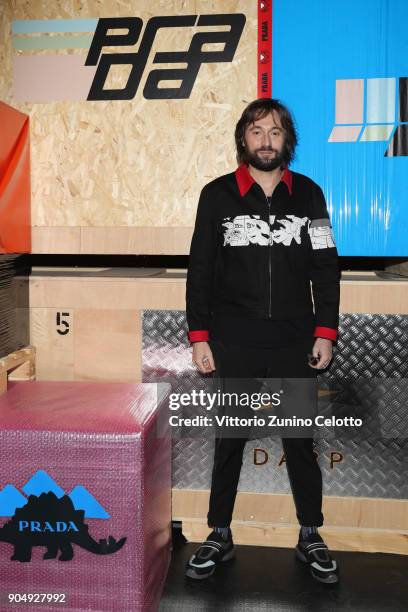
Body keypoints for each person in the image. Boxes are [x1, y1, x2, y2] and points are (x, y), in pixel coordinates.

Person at [184, 98, 340, 584]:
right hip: (234, 340)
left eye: (274, 131)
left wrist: (326, 331)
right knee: (230, 438)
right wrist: (200, 336)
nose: (266, 140)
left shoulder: (310, 196)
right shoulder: (217, 196)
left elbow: (326, 267)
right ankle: (220, 532)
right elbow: (200, 271)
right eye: (256, 132)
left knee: (300, 440)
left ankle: (310, 531)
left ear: (285, 139)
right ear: (243, 140)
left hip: (295, 340)